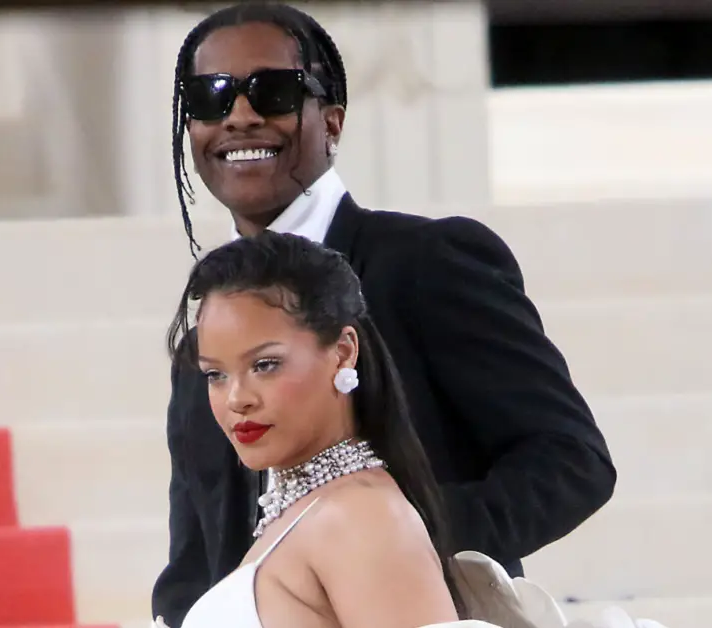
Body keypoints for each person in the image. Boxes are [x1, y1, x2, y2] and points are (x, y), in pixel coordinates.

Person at [153, 3, 617, 626]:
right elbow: (193, 558)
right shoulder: (208, 340)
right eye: (209, 97)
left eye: (273, 91)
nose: (239, 115)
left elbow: (571, 462)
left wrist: (382, 543)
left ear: (332, 121)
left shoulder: (428, 262)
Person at [167, 230, 463, 628]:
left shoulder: (359, 518)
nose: (237, 398)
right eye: (215, 374)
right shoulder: (315, 511)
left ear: (343, 352)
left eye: (265, 365)